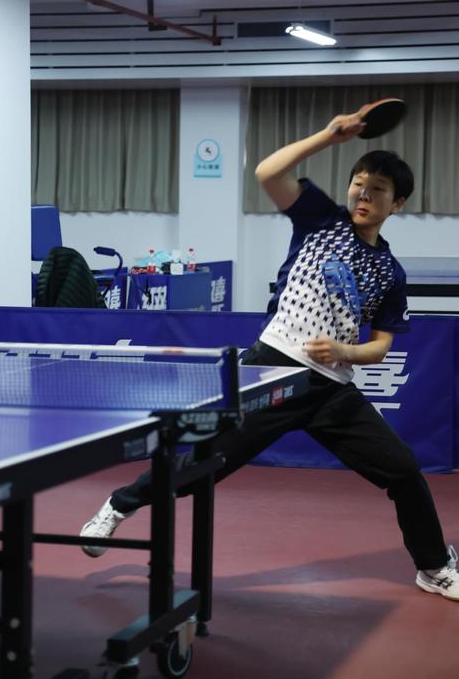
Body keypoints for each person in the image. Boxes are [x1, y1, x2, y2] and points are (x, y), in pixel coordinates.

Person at [80, 107, 459, 601]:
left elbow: (381, 345)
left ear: (398, 203)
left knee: (403, 470)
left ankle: (433, 566)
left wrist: (344, 350)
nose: (364, 195)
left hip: (332, 390)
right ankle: (120, 503)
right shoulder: (321, 221)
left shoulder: (390, 271)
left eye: (378, 189)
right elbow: (267, 172)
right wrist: (329, 135)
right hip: (272, 371)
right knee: (201, 467)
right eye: (359, 184)